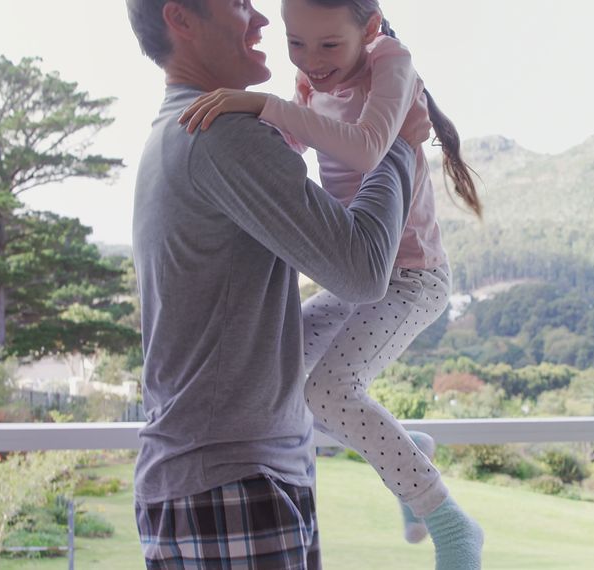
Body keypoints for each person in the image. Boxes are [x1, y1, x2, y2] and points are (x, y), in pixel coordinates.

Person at [177, 0, 484, 568]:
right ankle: (407, 453)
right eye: (297, 43)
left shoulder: (391, 62)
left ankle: (449, 522)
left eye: (328, 45)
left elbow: (367, 146)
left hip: (411, 277)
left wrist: (261, 105)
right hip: (357, 275)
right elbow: (293, 151)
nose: (311, 61)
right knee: (278, 364)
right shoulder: (306, 82)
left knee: (329, 390)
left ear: (368, 31)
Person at [125, 0, 418, 567]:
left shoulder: (180, 128)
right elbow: (361, 270)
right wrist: (399, 146)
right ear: (180, 19)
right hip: (232, 482)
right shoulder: (220, 134)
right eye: (239, 4)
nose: (261, 22)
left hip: (221, 477)